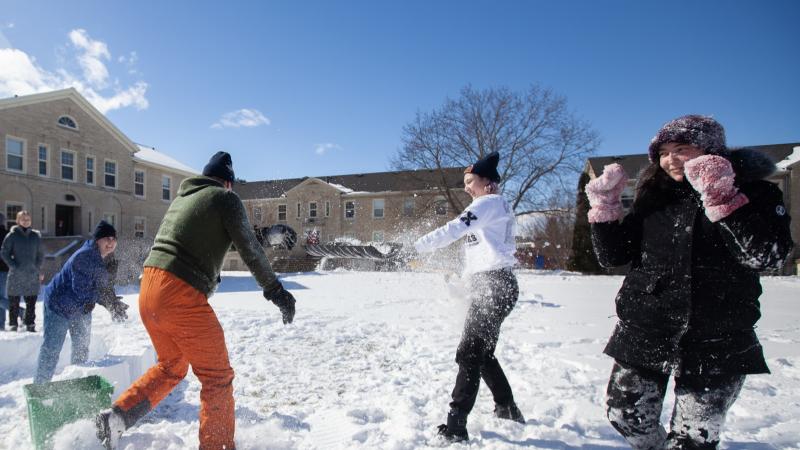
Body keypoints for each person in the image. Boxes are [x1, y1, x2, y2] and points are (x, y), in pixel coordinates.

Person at [586, 115, 794, 449]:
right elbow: (614, 256)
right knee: (625, 415)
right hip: (646, 329)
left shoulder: (757, 192)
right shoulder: (655, 196)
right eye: (664, 152)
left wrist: (722, 198)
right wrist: (606, 206)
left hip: (717, 336)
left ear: (711, 150)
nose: (670, 159)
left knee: (692, 441)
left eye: (681, 148)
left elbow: (766, 257)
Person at [96, 151, 297, 450]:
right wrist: (276, 290)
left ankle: (117, 418)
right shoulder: (226, 198)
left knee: (172, 365)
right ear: (228, 183)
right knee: (217, 376)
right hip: (179, 292)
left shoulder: (186, 199)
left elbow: (227, 234)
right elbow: (247, 248)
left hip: (149, 290)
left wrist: (269, 235)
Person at [414, 151, 524, 443]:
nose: (466, 187)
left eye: (470, 181)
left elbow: (453, 229)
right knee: (482, 353)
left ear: (487, 181)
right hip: (491, 285)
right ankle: (507, 408)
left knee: (470, 352)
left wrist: (417, 247)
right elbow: (477, 257)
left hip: (495, 285)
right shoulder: (490, 208)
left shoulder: (488, 203)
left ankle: (456, 426)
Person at [33, 220, 128, 383]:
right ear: (97, 240)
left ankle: (76, 386)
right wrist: (107, 302)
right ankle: (39, 387)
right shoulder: (84, 256)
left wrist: (113, 302)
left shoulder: (105, 259)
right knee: (52, 349)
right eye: (107, 238)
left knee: (81, 350)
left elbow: (102, 287)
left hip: (81, 309)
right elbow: (82, 290)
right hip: (58, 306)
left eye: (113, 239)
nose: (111, 242)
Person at [1, 210, 44, 332]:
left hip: (31, 273)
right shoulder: (12, 236)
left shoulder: (35, 236)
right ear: (18, 220)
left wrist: (37, 266)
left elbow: (40, 254)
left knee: (31, 301)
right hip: (16, 273)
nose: (26, 221)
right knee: (14, 300)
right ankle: (13, 324)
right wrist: (13, 265)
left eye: (28, 219)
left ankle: (30, 324)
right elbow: (4, 252)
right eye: (23, 219)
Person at [0, 213, 8, 330]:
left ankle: (19, 311)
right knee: (1, 296)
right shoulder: (8, 235)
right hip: (5, 269)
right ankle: (1, 324)